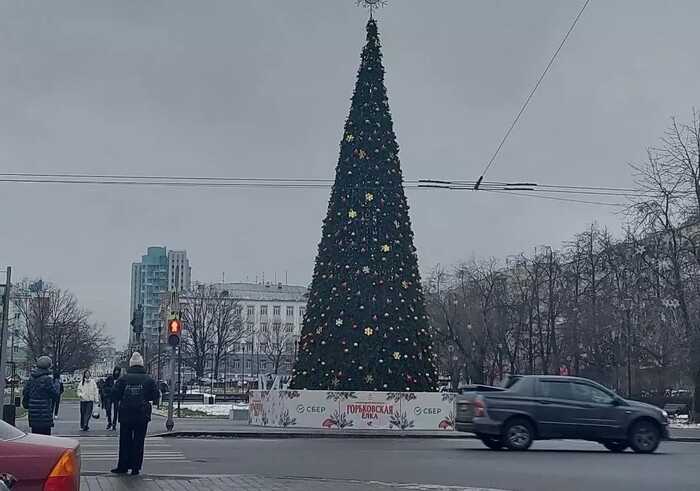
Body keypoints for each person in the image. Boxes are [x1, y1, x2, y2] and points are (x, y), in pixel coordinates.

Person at [111, 352, 159, 476]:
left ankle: (123, 466)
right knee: (139, 441)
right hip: (142, 414)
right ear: (142, 364)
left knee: (125, 441)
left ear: (130, 364)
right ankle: (135, 467)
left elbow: (114, 395)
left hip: (126, 414)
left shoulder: (124, 378)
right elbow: (155, 396)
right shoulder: (148, 379)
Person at [22, 356, 60, 435]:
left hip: (33, 414)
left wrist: (27, 404)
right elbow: (55, 395)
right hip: (45, 414)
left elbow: (25, 392)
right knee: (45, 439)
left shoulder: (31, 378)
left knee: (35, 437)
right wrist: (56, 382)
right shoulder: (47, 379)